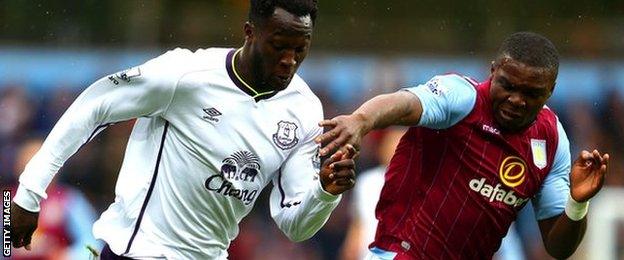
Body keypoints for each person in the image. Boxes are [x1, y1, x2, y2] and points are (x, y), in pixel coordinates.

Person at [10, 0, 357, 259]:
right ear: (250, 32)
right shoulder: (184, 75)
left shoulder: (304, 110)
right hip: (138, 253)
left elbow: (295, 225)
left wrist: (325, 191)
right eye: (279, 45)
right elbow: (93, 107)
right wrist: (28, 193)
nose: (289, 60)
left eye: (301, 48)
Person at [316, 32, 610, 259]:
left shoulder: (551, 139)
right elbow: (405, 103)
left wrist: (578, 202)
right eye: (508, 85)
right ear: (493, 72)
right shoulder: (461, 97)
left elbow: (559, 248)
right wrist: (360, 121)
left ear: (551, 90)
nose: (517, 100)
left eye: (531, 93)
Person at [7, 138, 101, 260]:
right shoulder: (7, 201)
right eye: (29, 165)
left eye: (42, 165)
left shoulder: (68, 199)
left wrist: (65, 256)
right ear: (18, 168)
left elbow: (93, 244)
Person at [339, 128, 406, 260]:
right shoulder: (366, 182)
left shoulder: (421, 183)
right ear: (381, 149)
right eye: (391, 145)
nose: (395, 151)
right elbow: (357, 226)